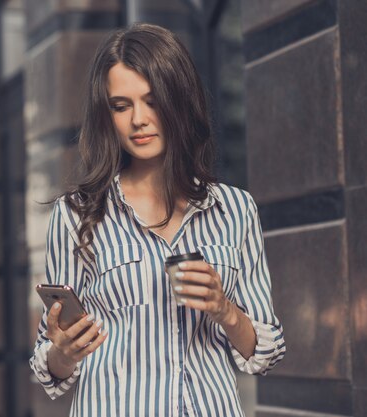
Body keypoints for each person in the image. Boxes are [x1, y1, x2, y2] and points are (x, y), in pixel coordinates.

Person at [29, 23, 286, 417]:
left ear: (178, 100)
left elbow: (265, 353)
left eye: (152, 100)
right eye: (121, 105)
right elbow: (50, 368)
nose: (138, 120)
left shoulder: (235, 210)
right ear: (107, 115)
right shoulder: (77, 215)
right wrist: (63, 352)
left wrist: (225, 310)